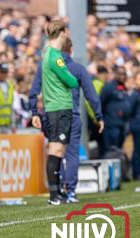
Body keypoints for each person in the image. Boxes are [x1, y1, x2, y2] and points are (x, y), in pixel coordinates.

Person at [29, 37, 104, 203]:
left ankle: (58, 189)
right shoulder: (77, 68)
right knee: (71, 154)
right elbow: (91, 94)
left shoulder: (45, 64)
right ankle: (69, 191)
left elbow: (34, 89)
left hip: (52, 113)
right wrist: (98, 116)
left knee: (56, 152)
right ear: (71, 50)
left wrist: (34, 111)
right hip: (72, 114)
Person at [31, 20, 78, 205]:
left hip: (55, 108)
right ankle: (54, 195)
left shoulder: (47, 54)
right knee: (56, 149)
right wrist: (72, 78)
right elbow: (71, 81)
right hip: (58, 108)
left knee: (58, 149)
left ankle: (57, 192)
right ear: (63, 33)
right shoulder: (55, 56)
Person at [100, 66, 131, 155]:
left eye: (124, 74)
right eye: (120, 74)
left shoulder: (124, 87)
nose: (122, 76)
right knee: (111, 151)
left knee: (119, 150)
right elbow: (101, 102)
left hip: (122, 124)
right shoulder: (109, 87)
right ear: (115, 74)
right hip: (111, 125)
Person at [129, 71, 140, 180]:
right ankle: (136, 173)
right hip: (137, 126)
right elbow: (129, 110)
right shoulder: (134, 95)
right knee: (137, 149)